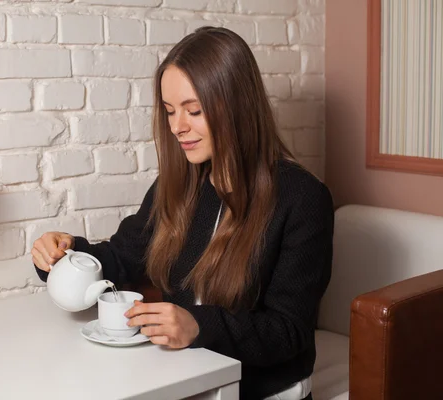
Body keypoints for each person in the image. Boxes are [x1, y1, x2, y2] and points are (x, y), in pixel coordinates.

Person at [32, 27, 333, 400]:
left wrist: (199, 326)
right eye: (170, 111)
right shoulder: (179, 184)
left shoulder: (303, 198)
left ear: (237, 106)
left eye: (194, 110)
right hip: (183, 373)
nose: (177, 127)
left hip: (261, 389)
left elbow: (289, 331)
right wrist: (66, 255)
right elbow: (123, 257)